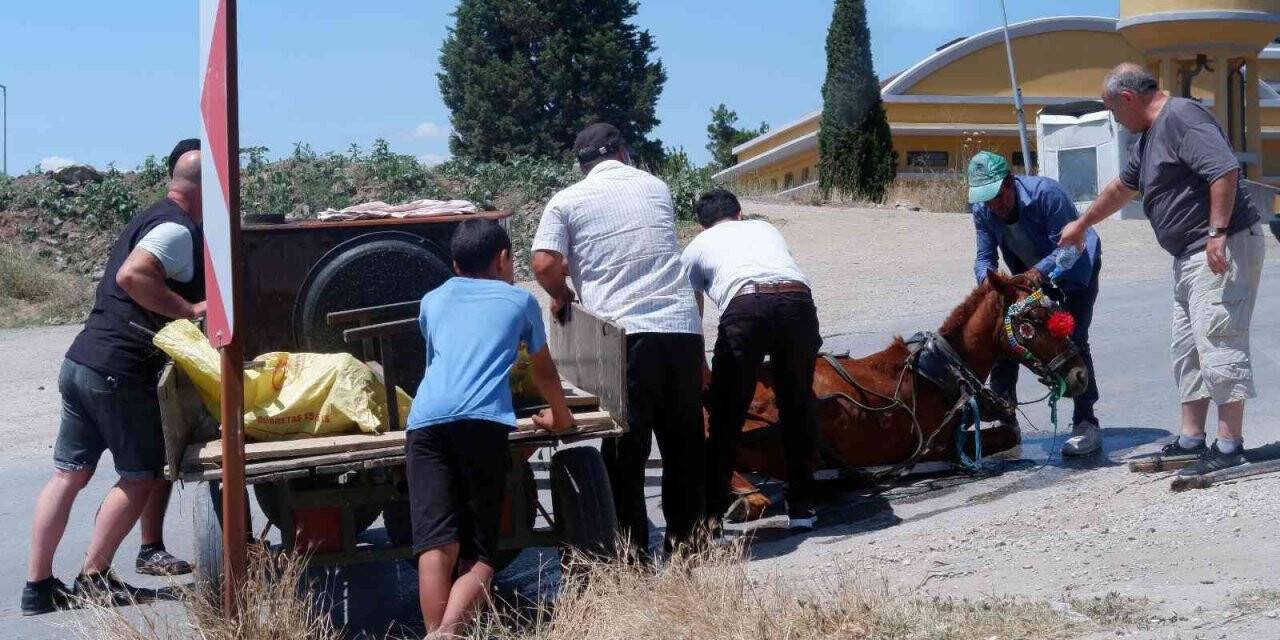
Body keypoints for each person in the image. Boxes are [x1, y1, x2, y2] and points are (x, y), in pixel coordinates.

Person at [22, 140, 205, 615]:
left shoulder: (151, 216)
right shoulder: (176, 230)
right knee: (141, 476)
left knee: (67, 475)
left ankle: (38, 588)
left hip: (81, 360)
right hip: (117, 369)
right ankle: (95, 579)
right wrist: (187, 309)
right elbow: (133, 276)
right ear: (206, 190)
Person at [1059, 63, 1265, 476]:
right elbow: (1122, 188)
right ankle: (1191, 439)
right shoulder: (1150, 137)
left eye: (1113, 110)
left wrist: (1217, 232)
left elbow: (1223, 170)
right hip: (1189, 255)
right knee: (1187, 349)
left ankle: (1230, 446)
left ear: (1128, 99)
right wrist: (1082, 223)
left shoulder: (1182, 118)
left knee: (1219, 340)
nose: (1115, 120)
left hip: (1220, 246)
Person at [531, 123, 706, 559]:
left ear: (582, 164)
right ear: (624, 153)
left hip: (625, 336)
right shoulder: (656, 187)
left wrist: (562, 295)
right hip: (681, 329)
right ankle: (687, 548)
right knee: (683, 447)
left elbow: (543, 264)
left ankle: (631, 557)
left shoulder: (567, 200)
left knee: (625, 449)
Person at [405, 218, 575, 636]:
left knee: (436, 544)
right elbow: (544, 371)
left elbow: (437, 362)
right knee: (481, 553)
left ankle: (434, 633)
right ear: (503, 259)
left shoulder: (431, 300)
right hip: (482, 423)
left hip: (425, 423)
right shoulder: (518, 301)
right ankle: (446, 635)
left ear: (454, 262)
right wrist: (561, 415)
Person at [682, 189, 822, 532]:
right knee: (797, 406)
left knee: (726, 415)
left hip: (746, 308)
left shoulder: (696, 247)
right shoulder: (766, 229)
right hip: (797, 301)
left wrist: (700, 365)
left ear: (702, 226)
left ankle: (712, 520)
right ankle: (803, 508)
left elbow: (691, 312)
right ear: (740, 213)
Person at [966, 150, 1104, 456]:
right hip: (1028, 277)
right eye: (986, 200)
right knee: (1007, 338)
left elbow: (1070, 248)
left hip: (1075, 268)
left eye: (998, 197)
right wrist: (987, 284)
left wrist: (1035, 273)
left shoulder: (1047, 194)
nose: (994, 206)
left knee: (1073, 339)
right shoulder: (983, 211)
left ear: (1010, 182)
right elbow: (984, 257)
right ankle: (1004, 422)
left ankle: (1086, 422)